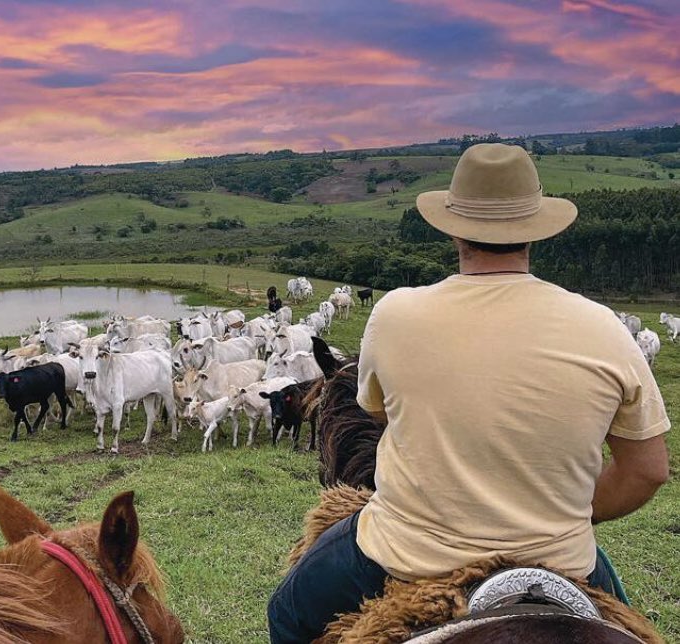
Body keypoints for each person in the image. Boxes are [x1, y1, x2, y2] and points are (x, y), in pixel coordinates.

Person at [268, 144, 671, 643]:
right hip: (560, 557)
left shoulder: (395, 314)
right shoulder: (605, 326)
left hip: (406, 552)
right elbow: (649, 470)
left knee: (287, 614)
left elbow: (380, 417)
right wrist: (562, 514)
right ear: (536, 229)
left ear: (453, 227)